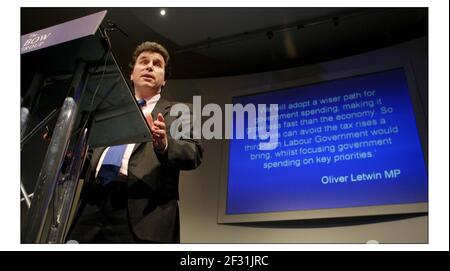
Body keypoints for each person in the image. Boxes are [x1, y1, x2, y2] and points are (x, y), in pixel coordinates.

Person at [67, 41, 203, 243]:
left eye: (157, 64)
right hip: (91, 206)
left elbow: (194, 153)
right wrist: (68, 155)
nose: (150, 66)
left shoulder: (179, 111)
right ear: (131, 74)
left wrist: (163, 144)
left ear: (164, 79)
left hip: (143, 214)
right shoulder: (106, 112)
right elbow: (87, 161)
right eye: (144, 61)